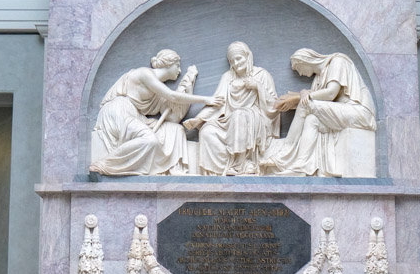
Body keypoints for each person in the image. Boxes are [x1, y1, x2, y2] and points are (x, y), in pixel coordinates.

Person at [89, 49, 220, 176]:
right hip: (119, 111)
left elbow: (173, 118)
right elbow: (172, 96)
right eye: (177, 66)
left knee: (174, 129)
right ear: (168, 63)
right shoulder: (145, 73)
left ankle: (175, 170)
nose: (179, 71)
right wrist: (205, 99)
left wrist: (189, 86)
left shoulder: (159, 93)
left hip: (135, 116)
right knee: (150, 140)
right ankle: (104, 164)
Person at [261, 48, 376, 177]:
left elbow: (330, 93)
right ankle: (301, 166)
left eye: (298, 68)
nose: (300, 73)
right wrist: (296, 99)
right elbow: (316, 102)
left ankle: (284, 154)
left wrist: (301, 96)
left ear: (305, 61)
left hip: (358, 111)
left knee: (307, 106)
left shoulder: (337, 61)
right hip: (343, 112)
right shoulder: (318, 79)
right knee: (312, 119)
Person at [184, 41, 279, 175]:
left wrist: (258, 87)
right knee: (207, 131)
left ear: (248, 56)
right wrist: (199, 120)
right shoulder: (227, 77)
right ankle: (217, 173)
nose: (236, 63)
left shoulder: (261, 75)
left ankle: (244, 163)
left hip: (253, 121)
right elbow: (217, 102)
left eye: (239, 58)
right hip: (228, 121)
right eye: (232, 61)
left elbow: (274, 106)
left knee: (239, 114)